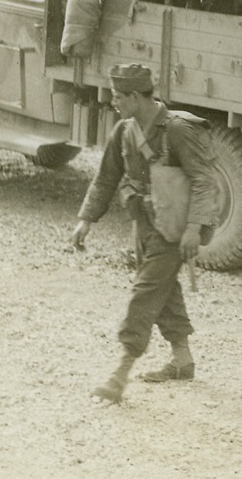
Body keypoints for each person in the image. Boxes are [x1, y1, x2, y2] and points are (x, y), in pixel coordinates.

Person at [71, 63, 219, 404]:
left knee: (146, 291)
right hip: (146, 223)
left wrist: (194, 228)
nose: (113, 103)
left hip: (174, 228)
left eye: (118, 97)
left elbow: (203, 179)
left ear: (136, 97)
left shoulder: (177, 130)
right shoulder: (125, 131)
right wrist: (86, 219)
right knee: (163, 287)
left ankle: (119, 374)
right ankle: (182, 360)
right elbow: (106, 178)